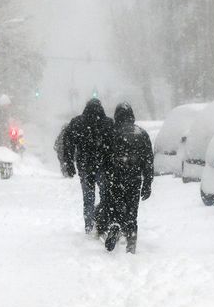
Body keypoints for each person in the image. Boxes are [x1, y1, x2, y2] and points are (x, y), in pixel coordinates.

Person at [101, 102, 153, 253]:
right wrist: (147, 183)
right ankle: (131, 243)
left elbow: (105, 158)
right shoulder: (141, 134)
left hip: (115, 178)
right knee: (132, 211)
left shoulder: (111, 133)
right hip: (134, 178)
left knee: (115, 206)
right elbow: (148, 161)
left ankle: (115, 225)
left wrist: (106, 177)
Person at [58, 98, 112, 233]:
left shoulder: (77, 123)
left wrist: (69, 163)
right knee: (106, 195)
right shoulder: (108, 123)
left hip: (85, 166)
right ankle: (104, 220)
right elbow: (114, 145)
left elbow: (68, 143)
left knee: (88, 197)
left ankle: (89, 225)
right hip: (103, 165)